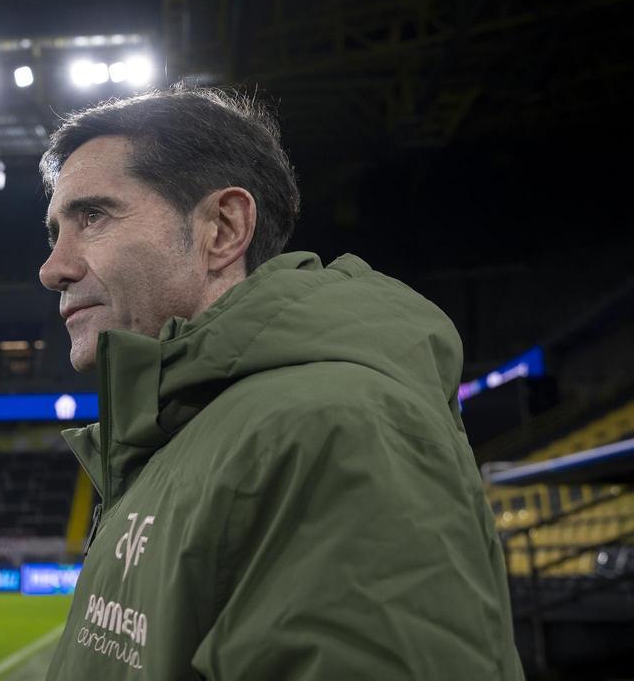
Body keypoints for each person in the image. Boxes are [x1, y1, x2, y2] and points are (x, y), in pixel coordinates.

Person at [37, 86, 523, 679]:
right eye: (55, 230)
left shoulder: (337, 425)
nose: (53, 268)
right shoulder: (183, 429)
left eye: (93, 217)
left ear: (222, 228)